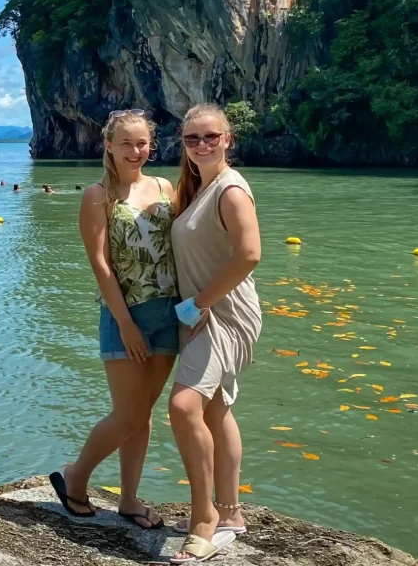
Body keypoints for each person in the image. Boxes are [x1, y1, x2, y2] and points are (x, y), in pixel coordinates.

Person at [49, 109, 178, 529]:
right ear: (108, 145)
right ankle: (76, 475)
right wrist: (125, 324)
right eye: (126, 143)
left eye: (142, 143)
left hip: (169, 313)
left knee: (143, 414)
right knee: (127, 414)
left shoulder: (165, 188)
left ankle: (129, 499)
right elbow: (101, 266)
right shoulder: (97, 195)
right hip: (126, 315)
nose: (136, 151)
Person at [166, 103, 262, 563]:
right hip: (202, 314)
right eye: (192, 138)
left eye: (211, 136)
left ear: (228, 139)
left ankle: (204, 518)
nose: (201, 144)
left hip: (223, 314)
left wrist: (199, 303)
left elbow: (249, 254)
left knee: (184, 406)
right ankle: (231, 514)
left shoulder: (230, 189)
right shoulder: (199, 188)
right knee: (216, 409)